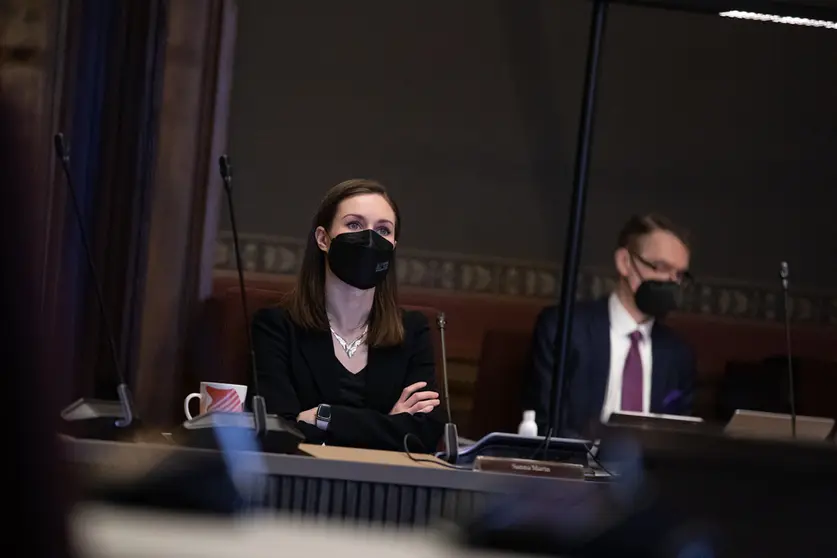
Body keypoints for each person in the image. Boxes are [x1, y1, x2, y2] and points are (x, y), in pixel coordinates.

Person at [252, 179, 444, 452]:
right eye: (354, 224)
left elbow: (424, 432)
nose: (369, 238)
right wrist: (389, 423)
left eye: (382, 230)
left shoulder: (412, 331)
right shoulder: (276, 326)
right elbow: (279, 428)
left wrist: (322, 416)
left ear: (393, 245)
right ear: (323, 239)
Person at [524, 214, 697, 437]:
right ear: (625, 262)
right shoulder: (565, 329)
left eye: (679, 275)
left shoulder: (678, 355)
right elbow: (546, 423)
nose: (671, 282)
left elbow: (678, 438)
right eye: (660, 266)